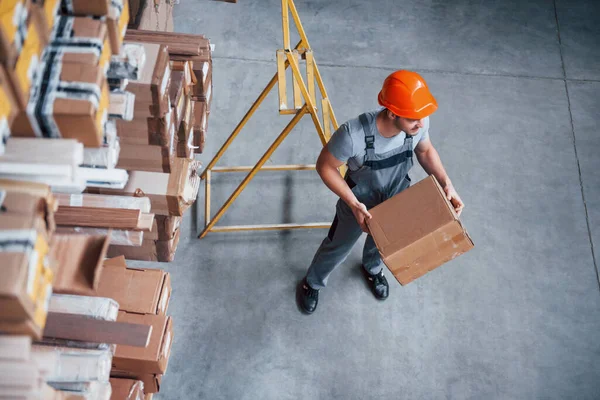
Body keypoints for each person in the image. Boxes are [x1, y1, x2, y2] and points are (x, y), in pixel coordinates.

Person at [298, 70, 464, 314]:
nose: (421, 123)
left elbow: (425, 151)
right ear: (392, 112)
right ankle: (312, 283)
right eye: (413, 119)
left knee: (385, 241)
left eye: (422, 117)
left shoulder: (418, 124)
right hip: (358, 204)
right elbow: (325, 166)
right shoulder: (353, 135)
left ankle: (373, 268)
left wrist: (445, 182)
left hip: (396, 198)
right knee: (338, 247)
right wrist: (354, 205)